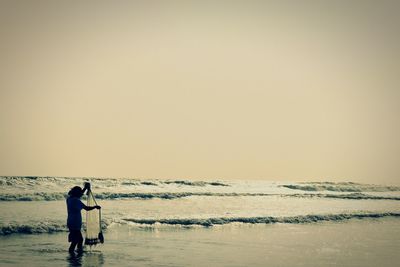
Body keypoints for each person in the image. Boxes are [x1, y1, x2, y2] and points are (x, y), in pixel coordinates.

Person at [66, 182, 101, 254]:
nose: (81, 194)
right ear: (77, 193)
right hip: (75, 223)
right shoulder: (76, 201)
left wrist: (85, 188)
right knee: (77, 240)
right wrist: (95, 207)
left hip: (71, 221)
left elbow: (79, 193)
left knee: (77, 239)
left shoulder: (69, 199)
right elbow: (87, 208)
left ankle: (78, 252)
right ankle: (73, 253)